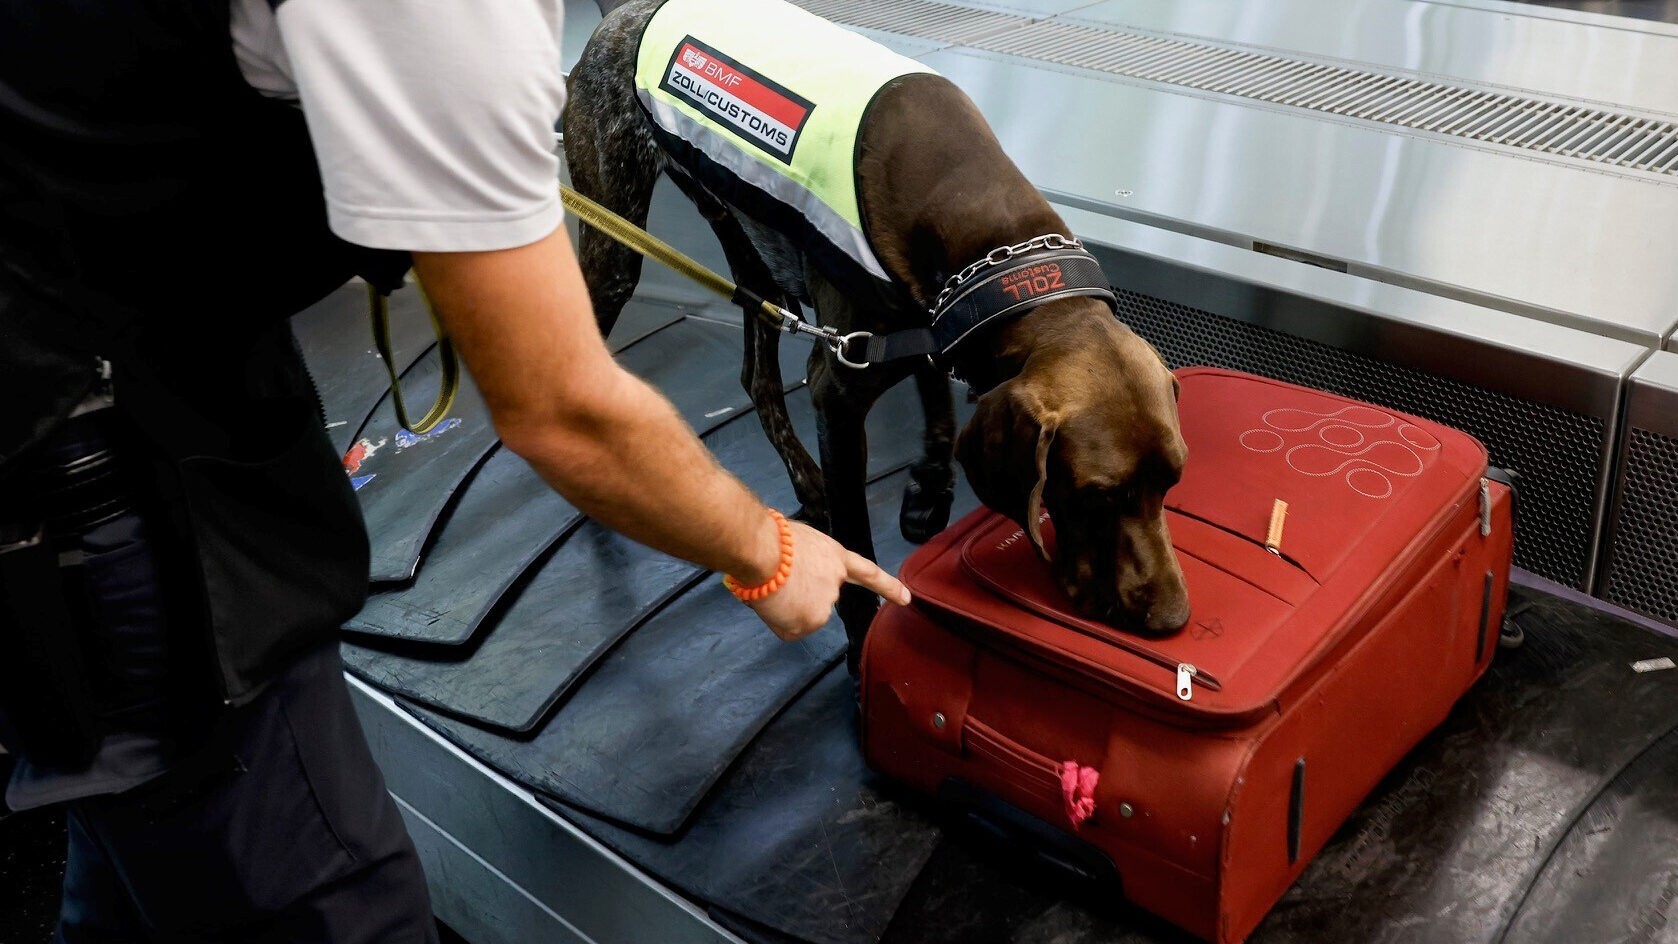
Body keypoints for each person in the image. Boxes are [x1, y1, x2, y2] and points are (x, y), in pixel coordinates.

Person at [0, 0, 909, 939]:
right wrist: (766, 552)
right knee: (343, 908)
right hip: (112, 472)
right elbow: (562, 408)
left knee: (135, 869)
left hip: (95, 366)